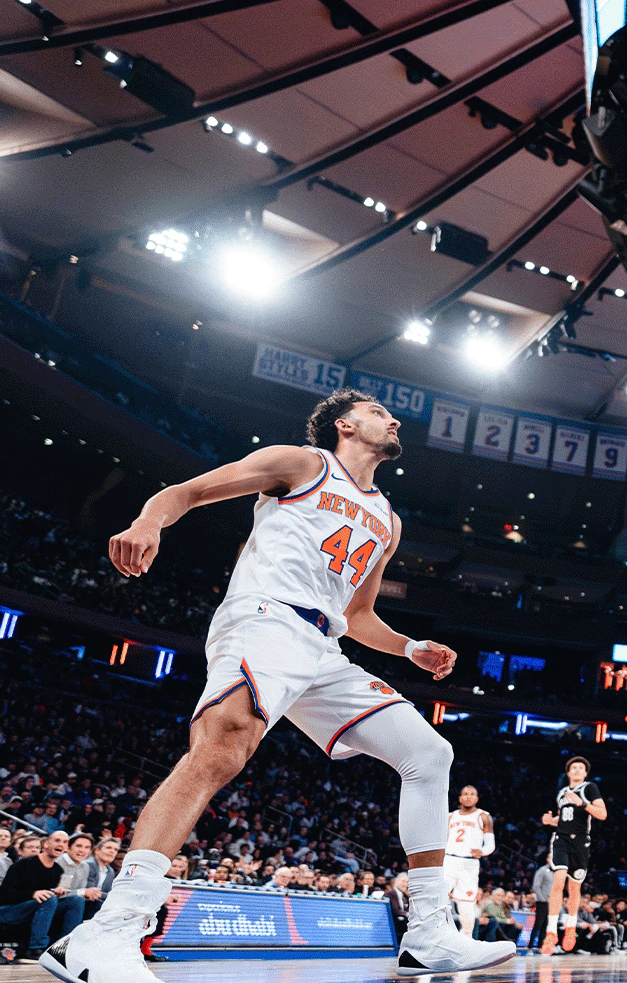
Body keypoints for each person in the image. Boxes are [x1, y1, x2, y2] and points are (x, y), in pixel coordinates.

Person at [41, 390, 513, 983]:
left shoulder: (388, 520)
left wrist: (410, 648)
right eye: (376, 411)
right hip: (265, 618)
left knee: (428, 753)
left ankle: (427, 933)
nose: (392, 419)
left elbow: (360, 613)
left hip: (323, 646)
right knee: (221, 750)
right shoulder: (303, 464)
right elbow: (188, 492)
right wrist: (147, 523)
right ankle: (109, 930)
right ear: (344, 424)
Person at [538, 756, 606, 954]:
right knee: (558, 882)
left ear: (585, 773)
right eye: (573, 768)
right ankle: (551, 932)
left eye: (580, 768)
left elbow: (602, 814)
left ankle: (570, 927)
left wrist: (583, 804)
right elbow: (565, 819)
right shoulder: (561, 793)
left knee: (574, 887)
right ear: (568, 773)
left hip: (581, 842)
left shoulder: (589, 788)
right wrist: (551, 821)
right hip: (561, 840)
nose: (576, 770)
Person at [1, 830, 82, 957]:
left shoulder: (58, 870)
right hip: (10, 911)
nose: (61, 844)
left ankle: (63, 948)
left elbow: (49, 896)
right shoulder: (23, 864)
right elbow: (5, 894)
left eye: (65, 842)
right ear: (45, 844)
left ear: (66, 848)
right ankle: (35, 948)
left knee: (76, 901)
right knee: (48, 899)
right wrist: (32, 894)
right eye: (57, 840)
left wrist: (58, 892)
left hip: (38, 909)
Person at [446, 785, 495, 937]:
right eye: (465, 794)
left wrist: (483, 851)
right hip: (449, 861)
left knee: (466, 905)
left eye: (472, 794)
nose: (468, 796)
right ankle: (437, 935)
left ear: (477, 798)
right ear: (460, 798)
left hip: (469, 864)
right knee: (438, 897)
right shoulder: (450, 816)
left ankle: (465, 938)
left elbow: (490, 844)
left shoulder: (483, 816)